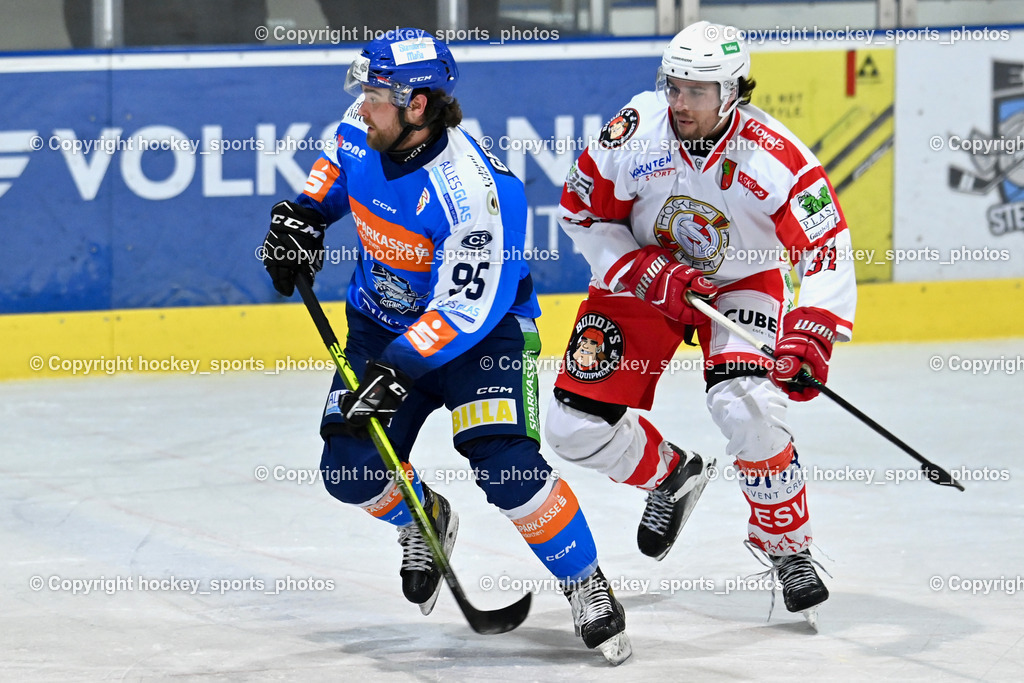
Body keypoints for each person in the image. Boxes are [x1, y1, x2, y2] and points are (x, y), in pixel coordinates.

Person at [260, 29, 630, 664]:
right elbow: (333, 171)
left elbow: (467, 309)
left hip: (480, 341)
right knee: (349, 471)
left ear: (419, 106)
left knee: (504, 464)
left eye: (378, 95)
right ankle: (423, 517)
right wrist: (304, 218)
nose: (361, 104)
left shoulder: (476, 194)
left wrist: (394, 371)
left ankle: (585, 582)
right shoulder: (363, 126)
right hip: (379, 328)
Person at [545, 20, 857, 622]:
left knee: (749, 407)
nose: (680, 102)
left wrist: (812, 330)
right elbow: (579, 212)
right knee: (570, 427)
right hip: (647, 274)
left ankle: (786, 547)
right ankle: (671, 476)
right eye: (674, 86)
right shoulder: (634, 131)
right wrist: (640, 269)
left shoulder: (776, 157)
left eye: (697, 90)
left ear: (733, 92)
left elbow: (827, 244)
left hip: (741, 281)